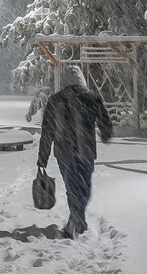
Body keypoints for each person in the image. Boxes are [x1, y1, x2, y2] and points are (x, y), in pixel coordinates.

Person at [37, 65, 113, 237]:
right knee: (84, 188)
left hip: (64, 152)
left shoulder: (56, 100)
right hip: (86, 150)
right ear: (82, 80)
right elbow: (105, 122)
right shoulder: (92, 97)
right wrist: (106, 134)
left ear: (64, 81)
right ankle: (77, 221)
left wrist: (43, 157)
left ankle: (76, 221)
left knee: (72, 187)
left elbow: (47, 130)